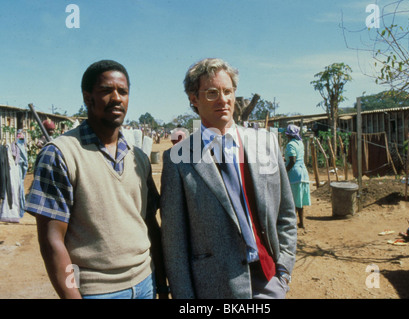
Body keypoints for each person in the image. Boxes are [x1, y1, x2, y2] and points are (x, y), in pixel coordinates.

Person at [25, 60, 167, 299]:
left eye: (123, 91)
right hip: (96, 291)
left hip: (146, 283)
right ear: (88, 98)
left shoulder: (138, 158)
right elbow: (52, 241)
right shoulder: (60, 154)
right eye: (106, 91)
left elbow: (150, 225)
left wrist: (161, 286)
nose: (117, 98)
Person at [160, 58, 297, 299]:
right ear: (194, 98)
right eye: (212, 93)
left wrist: (283, 269)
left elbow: (285, 212)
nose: (223, 100)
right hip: (214, 288)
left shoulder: (265, 144)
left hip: (269, 280)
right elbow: (175, 245)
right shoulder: (178, 160)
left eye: (228, 91)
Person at [284, 124, 311, 229]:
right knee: (299, 200)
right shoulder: (300, 143)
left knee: (293, 200)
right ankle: (301, 223)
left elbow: (292, 160)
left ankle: (292, 224)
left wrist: (285, 171)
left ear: (288, 135)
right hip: (303, 173)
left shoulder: (290, 145)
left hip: (294, 174)